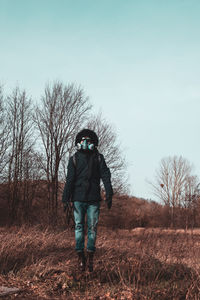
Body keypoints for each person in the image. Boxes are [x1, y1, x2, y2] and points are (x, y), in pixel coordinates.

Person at [62, 129, 113, 272]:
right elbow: (69, 180)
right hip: (77, 199)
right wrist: (65, 198)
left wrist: (109, 193)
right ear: (78, 143)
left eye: (89, 141)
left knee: (92, 228)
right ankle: (80, 257)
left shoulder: (99, 158)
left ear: (93, 143)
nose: (86, 143)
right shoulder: (74, 159)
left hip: (93, 199)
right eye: (83, 140)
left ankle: (90, 256)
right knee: (78, 227)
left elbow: (106, 176)